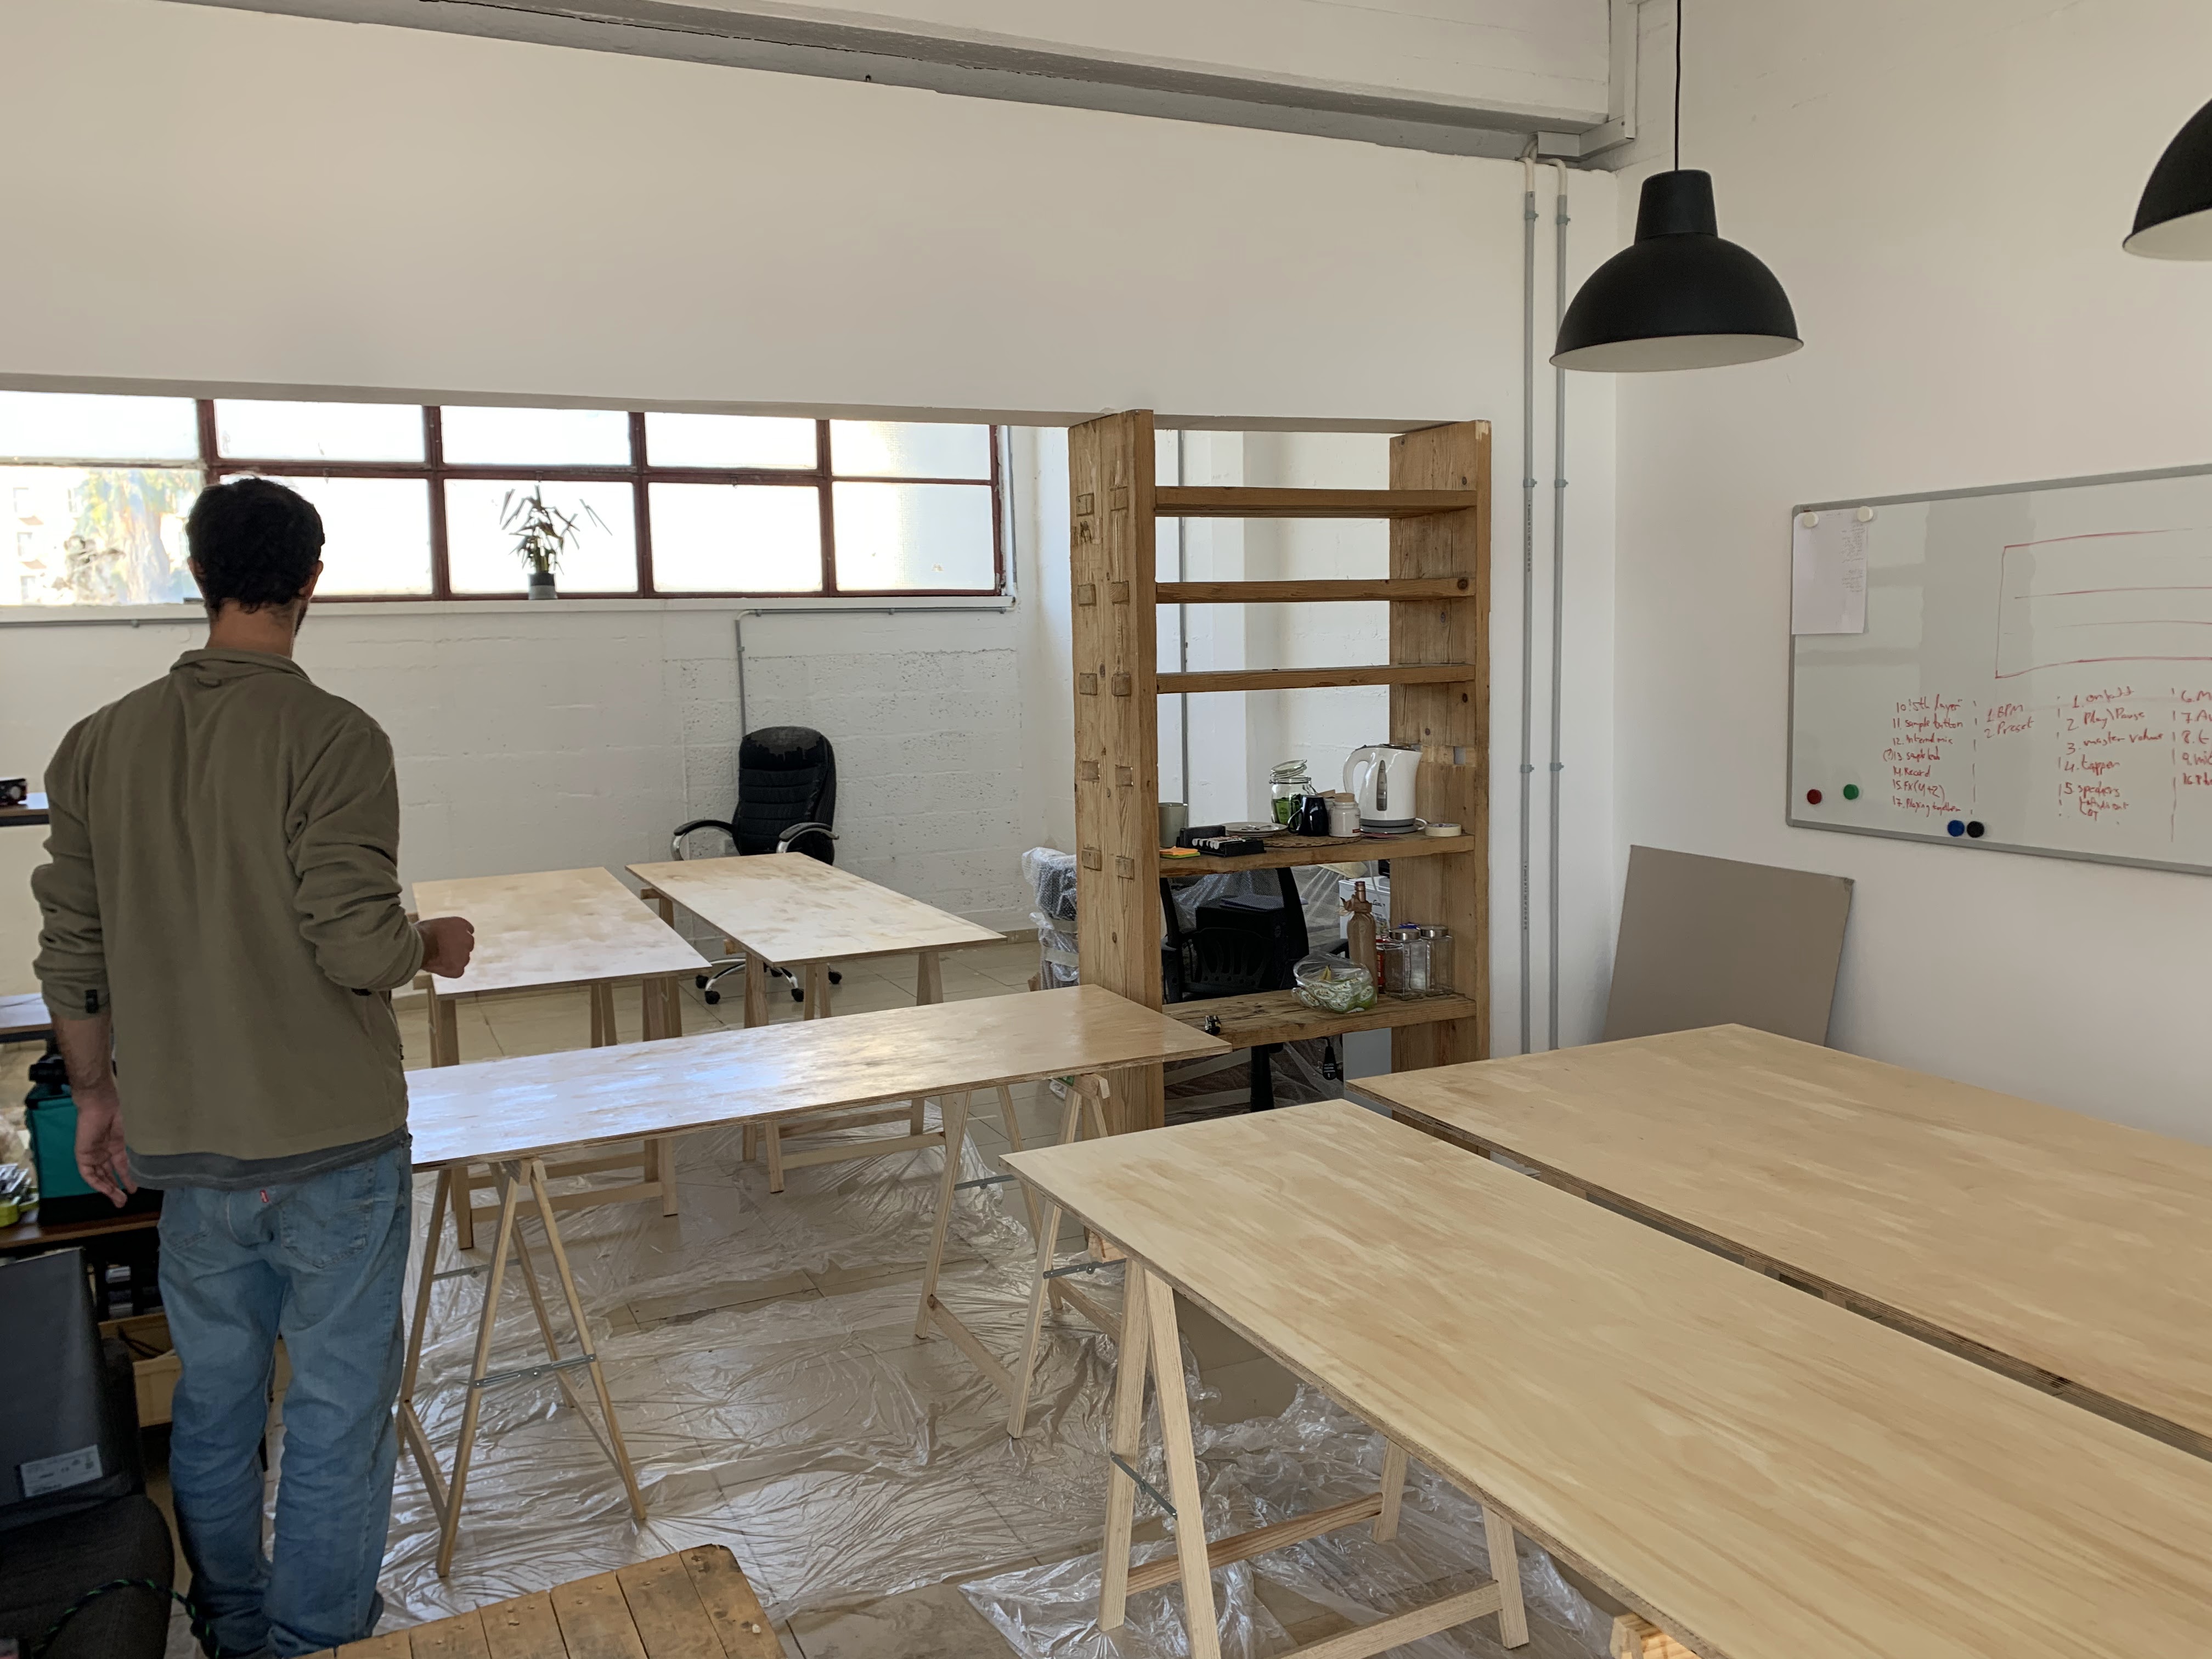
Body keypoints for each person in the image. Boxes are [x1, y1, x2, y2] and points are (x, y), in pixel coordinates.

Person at [31, 477, 476, 1658]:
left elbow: (71, 952)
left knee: (219, 1406)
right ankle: (315, 1638)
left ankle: (230, 1624)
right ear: (312, 580)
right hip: (332, 1142)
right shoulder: (335, 737)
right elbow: (352, 941)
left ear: (198, 576)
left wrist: (97, 1095)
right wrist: (428, 946)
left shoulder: (95, 746)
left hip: (186, 1144)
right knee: (336, 1410)